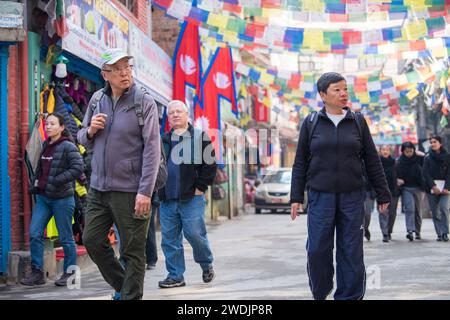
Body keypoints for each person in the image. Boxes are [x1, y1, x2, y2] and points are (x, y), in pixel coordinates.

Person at [290, 72, 390, 300]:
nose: (343, 93)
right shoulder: (311, 122)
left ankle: (349, 296)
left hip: (352, 197)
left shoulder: (357, 121)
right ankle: (321, 290)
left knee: (351, 250)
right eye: (337, 89)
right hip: (320, 197)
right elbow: (300, 162)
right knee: (317, 250)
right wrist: (296, 197)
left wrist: (383, 193)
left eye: (345, 89)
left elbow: (372, 159)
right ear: (323, 95)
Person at [77, 48, 161, 300]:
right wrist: (90, 130)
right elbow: (81, 137)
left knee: (133, 252)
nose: (125, 72)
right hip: (99, 188)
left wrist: (145, 191)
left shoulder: (143, 101)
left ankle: (129, 295)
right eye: (118, 68)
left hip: (130, 190)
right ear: (105, 74)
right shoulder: (96, 100)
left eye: (128, 67)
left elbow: (153, 151)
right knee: (91, 240)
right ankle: (123, 286)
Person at [158, 100, 217, 288]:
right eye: (171, 113)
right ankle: (175, 275)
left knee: (195, 234)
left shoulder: (200, 137)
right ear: (168, 118)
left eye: (179, 112)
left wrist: (200, 187)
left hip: (191, 197)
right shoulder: (163, 140)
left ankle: (206, 263)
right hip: (167, 198)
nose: (175, 115)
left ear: (187, 115)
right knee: (169, 239)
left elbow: (210, 166)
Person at [21, 113, 83, 286]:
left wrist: (57, 180)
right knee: (34, 233)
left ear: (62, 127)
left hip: (62, 199)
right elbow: (41, 170)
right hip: (44, 198)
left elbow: (78, 167)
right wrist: (37, 184)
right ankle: (37, 273)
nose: (48, 127)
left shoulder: (68, 146)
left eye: (52, 124)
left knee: (66, 238)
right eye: (47, 124)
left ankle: (70, 275)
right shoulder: (45, 145)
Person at [422, 136, 450, 242]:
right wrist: (433, 186)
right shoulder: (427, 158)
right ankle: (439, 233)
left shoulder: (447, 157)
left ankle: (445, 232)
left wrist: (447, 187)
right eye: (431, 142)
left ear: (440, 143)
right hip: (432, 188)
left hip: (445, 189)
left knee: (444, 208)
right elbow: (425, 173)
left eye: (435, 142)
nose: (433, 144)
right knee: (435, 212)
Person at [397, 142, 425, 241]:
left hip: (419, 188)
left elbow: (427, 166)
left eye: (411, 151)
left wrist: (423, 155)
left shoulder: (419, 159)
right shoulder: (399, 161)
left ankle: (418, 231)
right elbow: (395, 174)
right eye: (406, 152)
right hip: (406, 188)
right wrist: (398, 180)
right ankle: (410, 231)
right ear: (403, 151)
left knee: (418, 210)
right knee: (410, 209)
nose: (409, 153)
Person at [378, 145, 401, 242]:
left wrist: (399, 181)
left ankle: (389, 230)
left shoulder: (395, 162)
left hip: (393, 191)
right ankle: (385, 233)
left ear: (390, 151)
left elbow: (399, 174)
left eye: (387, 150)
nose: (385, 151)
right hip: (381, 191)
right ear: (380, 151)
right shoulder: (377, 162)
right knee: (383, 212)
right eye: (383, 150)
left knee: (392, 213)